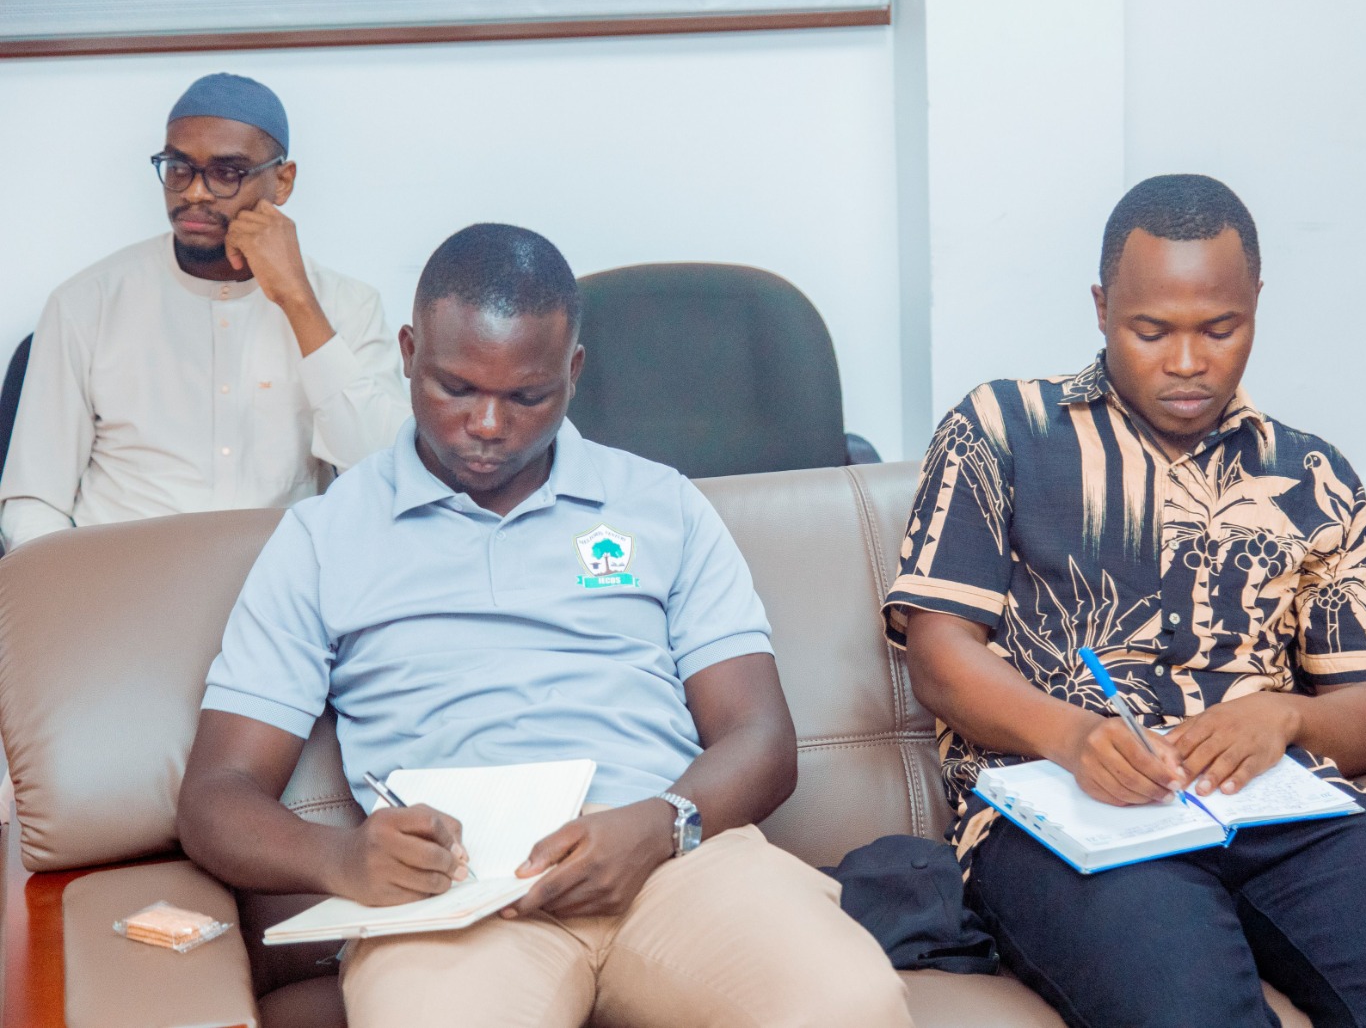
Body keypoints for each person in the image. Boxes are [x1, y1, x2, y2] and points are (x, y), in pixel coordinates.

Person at [177, 224, 913, 1028]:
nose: (489, 424)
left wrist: (663, 822)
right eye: (456, 388)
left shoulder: (662, 506)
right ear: (409, 354)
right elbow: (216, 796)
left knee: (849, 1002)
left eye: (528, 397)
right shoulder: (323, 539)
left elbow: (761, 739)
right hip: (456, 897)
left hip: (669, 864)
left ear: (573, 372)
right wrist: (341, 858)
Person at [883, 175, 1366, 1027]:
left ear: (1256, 305)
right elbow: (939, 654)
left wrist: (1285, 715)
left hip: (1281, 810)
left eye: (1220, 328)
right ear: (1102, 309)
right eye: (1151, 331)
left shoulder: (1314, 476)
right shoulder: (1002, 430)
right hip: (1070, 817)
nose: (1186, 362)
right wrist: (1077, 737)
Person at [0, 72, 408, 551]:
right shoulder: (86, 303)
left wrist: (297, 300)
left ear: (282, 181)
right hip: (122, 580)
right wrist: (75, 588)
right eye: (179, 168)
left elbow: (382, 476)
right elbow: (33, 500)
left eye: (226, 172)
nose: (194, 192)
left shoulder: (347, 307)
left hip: (279, 582)